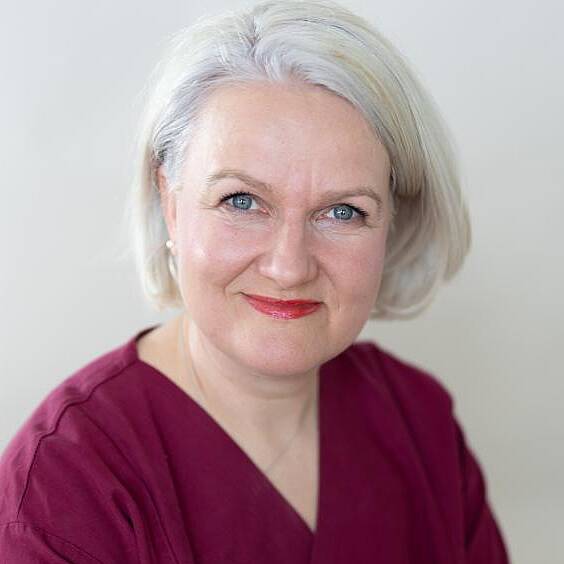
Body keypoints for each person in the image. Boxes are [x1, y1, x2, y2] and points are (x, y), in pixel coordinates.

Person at [0, 0, 511, 562]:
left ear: (392, 222)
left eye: (342, 211)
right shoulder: (62, 491)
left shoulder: (419, 420)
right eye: (241, 201)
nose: (289, 267)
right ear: (171, 202)